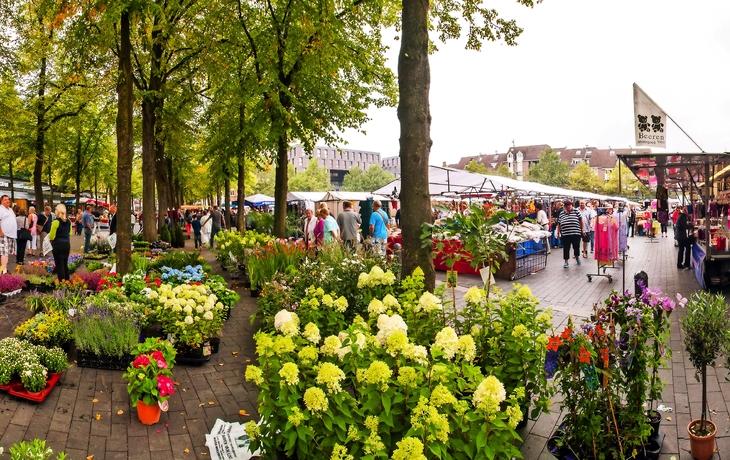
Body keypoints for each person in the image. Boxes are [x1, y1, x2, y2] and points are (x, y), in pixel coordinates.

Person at [556, 199, 585, 269]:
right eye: (567, 206)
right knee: (566, 248)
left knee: (576, 246)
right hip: (565, 234)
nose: (569, 207)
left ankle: (577, 257)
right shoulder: (562, 213)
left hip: (576, 233)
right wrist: (558, 232)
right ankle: (566, 262)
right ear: (565, 206)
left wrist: (582, 229)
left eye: (570, 205)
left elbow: (581, 220)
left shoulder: (576, 211)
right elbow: (559, 224)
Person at [48, 203, 72, 281]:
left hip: (58, 245)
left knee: (59, 265)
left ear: (57, 211)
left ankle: (62, 282)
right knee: (65, 264)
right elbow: (70, 233)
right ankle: (67, 280)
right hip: (66, 244)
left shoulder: (56, 222)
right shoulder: (69, 221)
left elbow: (51, 236)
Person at [0, 195, 17, 274]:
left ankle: (5, 268)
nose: (7, 201)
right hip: (4, 234)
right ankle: (3, 270)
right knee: (4, 252)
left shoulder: (10, 209)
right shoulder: (1, 209)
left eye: (8, 199)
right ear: (2, 201)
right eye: (5, 200)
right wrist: (0, 231)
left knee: (8, 253)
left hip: (11, 234)